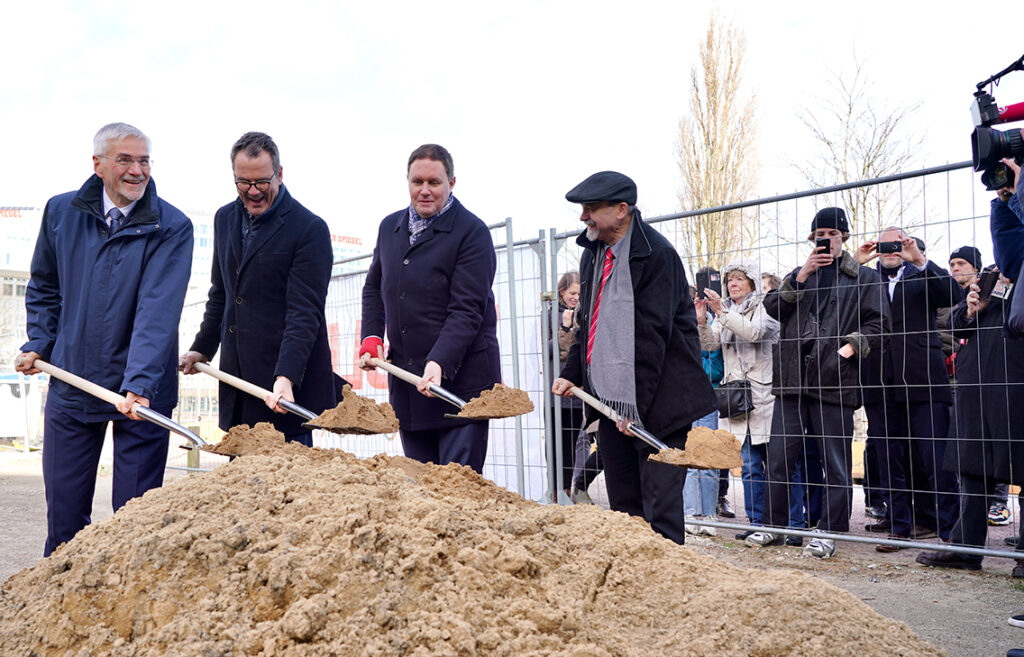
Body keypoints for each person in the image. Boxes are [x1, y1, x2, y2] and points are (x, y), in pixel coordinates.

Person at [16, 122, 193, 556]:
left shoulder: (171, 226)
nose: (137, 171)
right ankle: (56, 608)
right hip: (73, 383)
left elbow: (158, 310)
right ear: (98, 165)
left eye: (144, 160)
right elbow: (44, 286)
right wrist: (41, 340)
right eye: (125, 160)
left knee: (134, 522)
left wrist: (141, 383)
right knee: (65, 522)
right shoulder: (61, 213)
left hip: (141, 397)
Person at [552, 171, 717, 544]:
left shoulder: (657, 255)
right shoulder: (594, 255)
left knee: (660, 509)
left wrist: (636, 408)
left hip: (659, 403)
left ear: (622, 210)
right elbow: (588, 322)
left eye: (592, 209)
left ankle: (670, 590)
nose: (583, 218)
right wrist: (572, 371)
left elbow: (651, 338)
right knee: (625, 507)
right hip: (611, 403)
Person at [180, 132, 338, 446]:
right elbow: (222, 293)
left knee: (287, 489)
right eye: (243, 183)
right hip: (238, 384)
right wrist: (202, 347)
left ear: (279, 174)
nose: (253, 192)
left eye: (262, 182)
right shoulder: (225, 218)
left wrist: (286, 376)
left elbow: (304, 313)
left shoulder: (309, 228)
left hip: (282, 391)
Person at [748, 207, 888, 558]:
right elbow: (773, 311)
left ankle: (830, 531)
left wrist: (848, 349)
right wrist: (800, 278)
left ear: (844, 237)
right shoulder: (799, 274)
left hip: (835, 382)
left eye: (830, 233)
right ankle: (773, 527)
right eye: (817, 235)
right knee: (779, 459)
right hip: (792, 382)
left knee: (836, 463)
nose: (823, 240)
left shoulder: (865, 278)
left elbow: (881, 325)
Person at [359, 144, 500, 474]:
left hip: (459, 387)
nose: (424, 191)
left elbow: (467, 309)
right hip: (410, 384)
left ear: (452, 182)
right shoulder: (389, 227)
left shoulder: (471, 233)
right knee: (420, 494)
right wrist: (370, 336)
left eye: (434, 182)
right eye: (417, 181)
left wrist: (439, 360)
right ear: (407, 181)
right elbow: (373, 289)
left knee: (457, 492)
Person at [856, 227, 962, 551]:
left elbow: (954, 297)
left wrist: (919, 260)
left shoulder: (921, 273)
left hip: (923, 380)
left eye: (898, 243)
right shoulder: (864, 279)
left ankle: (950, 533)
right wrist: (857, 265)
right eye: (884, 244)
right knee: (890, 459)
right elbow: (841, 308)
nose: (891, 249)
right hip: (879, 380)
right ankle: (900, 528)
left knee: (936, 458)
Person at [917, 270, 1024, 572]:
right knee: (972, 469)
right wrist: (971, 308)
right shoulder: (990, 275)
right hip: (977, 386)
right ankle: (965, 549)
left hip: (1017, 384)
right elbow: (953, 325)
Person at [696, 259, 780, 540]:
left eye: (739, 280)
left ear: (752, 284)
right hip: (736, 401)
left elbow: (754, 333)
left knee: (776, 465)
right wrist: (701, 321)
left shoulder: (765, 308)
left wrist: (720, 311)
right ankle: (756, 523)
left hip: (763, 399)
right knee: (749, 466)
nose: (732, 284)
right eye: (729, 280)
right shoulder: (726, 311)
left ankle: (782, 523)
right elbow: (709, 343)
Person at [552, 271, 584, 499]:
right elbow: (553, 350)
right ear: (562, 291)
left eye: (579, 293)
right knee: (558, 446)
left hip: (578, 395)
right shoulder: (552, 314)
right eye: (572, 292)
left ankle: (573, 489)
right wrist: (564, 328)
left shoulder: (584, 313)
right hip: (557, 395)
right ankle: (557, 491)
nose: (575, 297)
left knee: (576, 445)